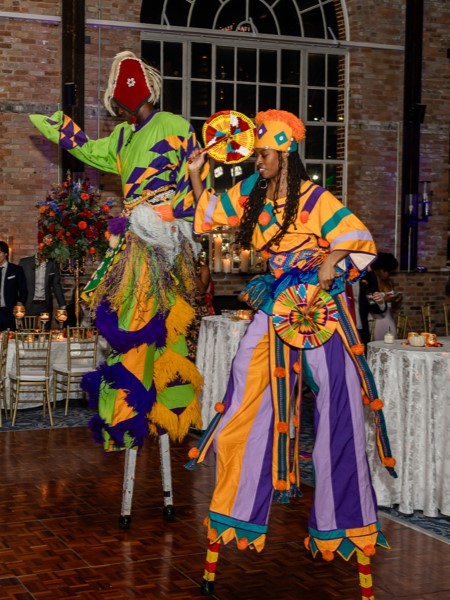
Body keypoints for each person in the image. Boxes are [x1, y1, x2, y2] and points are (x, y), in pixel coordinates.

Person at [186, 110, 396, 594]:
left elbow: (357, 236)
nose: (255, 159)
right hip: (277, 302)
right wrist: (197, 174)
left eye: (262, 153)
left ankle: (347, 524)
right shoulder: (253, 195)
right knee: (242, 397)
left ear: (285, 152)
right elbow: (209, 213)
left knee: (339, 406)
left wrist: (330, 262)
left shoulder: (316, 198)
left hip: (319, 309)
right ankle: (234, 510)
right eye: (255, 152)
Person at [29, 51, 208, 460]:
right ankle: (125, 420)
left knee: (165, 329)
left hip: (163, 241)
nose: (123, 105)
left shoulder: (175, 126)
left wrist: (173, 212)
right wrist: (59, 127)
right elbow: (91, 151)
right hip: (132, 241)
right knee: (128, 327)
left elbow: (195, 177)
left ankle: (170, 413)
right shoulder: (124, 137)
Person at [20, 253, 66, 328]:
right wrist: (19, 301)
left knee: (45, 333)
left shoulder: (52, 264)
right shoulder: (25, 262)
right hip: (29, 303)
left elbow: (56, 285)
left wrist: (62, 305)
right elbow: (19, 283)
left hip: (45, 304)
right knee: (27, 332)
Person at [187, 254, 215, 361]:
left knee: (198, 341)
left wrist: (192, 273)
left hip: (198, 309)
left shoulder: (204, 269)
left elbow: (203, 289)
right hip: (184, 309)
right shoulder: (179, 268)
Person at [370, 252, 402, 341]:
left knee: (391, 338)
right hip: (375, 318)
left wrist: (396, 299)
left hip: (388, 316)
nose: (388, 273)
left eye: (390, 271)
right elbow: (368, 301)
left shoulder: (389, 282)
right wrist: (384, 299)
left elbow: (393, 303)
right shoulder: (372, 282)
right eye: (386, 270)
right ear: (378, 269)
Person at [352, 267, 386, 348]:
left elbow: (375, 307)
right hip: (338, 328)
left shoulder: (366, 275)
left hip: (360, 328)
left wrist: (380, 302)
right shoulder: (333, 274)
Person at [0, 241, 28, 331]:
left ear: (6, 254)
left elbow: (23, 290)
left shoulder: (16, 270)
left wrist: (20, 303)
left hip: (10, 312)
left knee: (11, 339)